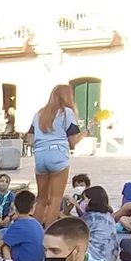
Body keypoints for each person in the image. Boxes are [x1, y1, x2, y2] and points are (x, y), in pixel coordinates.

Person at [26, 85, 83, 227]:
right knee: (56, 199)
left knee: (41, 199)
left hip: (40, 155)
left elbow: (30, 140)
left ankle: (36, 231)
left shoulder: (39, 113)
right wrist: (87, 132)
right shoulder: (67, 113)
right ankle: (49, 233)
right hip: (58, 154)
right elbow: (73, 141)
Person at [0, 190, 44, 261]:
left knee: (4, 236)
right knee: (7, 233)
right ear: (33, 207)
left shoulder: (17, 225)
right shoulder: (36, 223)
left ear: (14, 208)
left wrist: (3, 253)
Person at [80, 186, 119, 261]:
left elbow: (73, 227)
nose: (82, 202)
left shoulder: (91, 217)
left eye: (84, 199)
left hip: (97, 257)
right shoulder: (108, 215)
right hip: (111, 256)